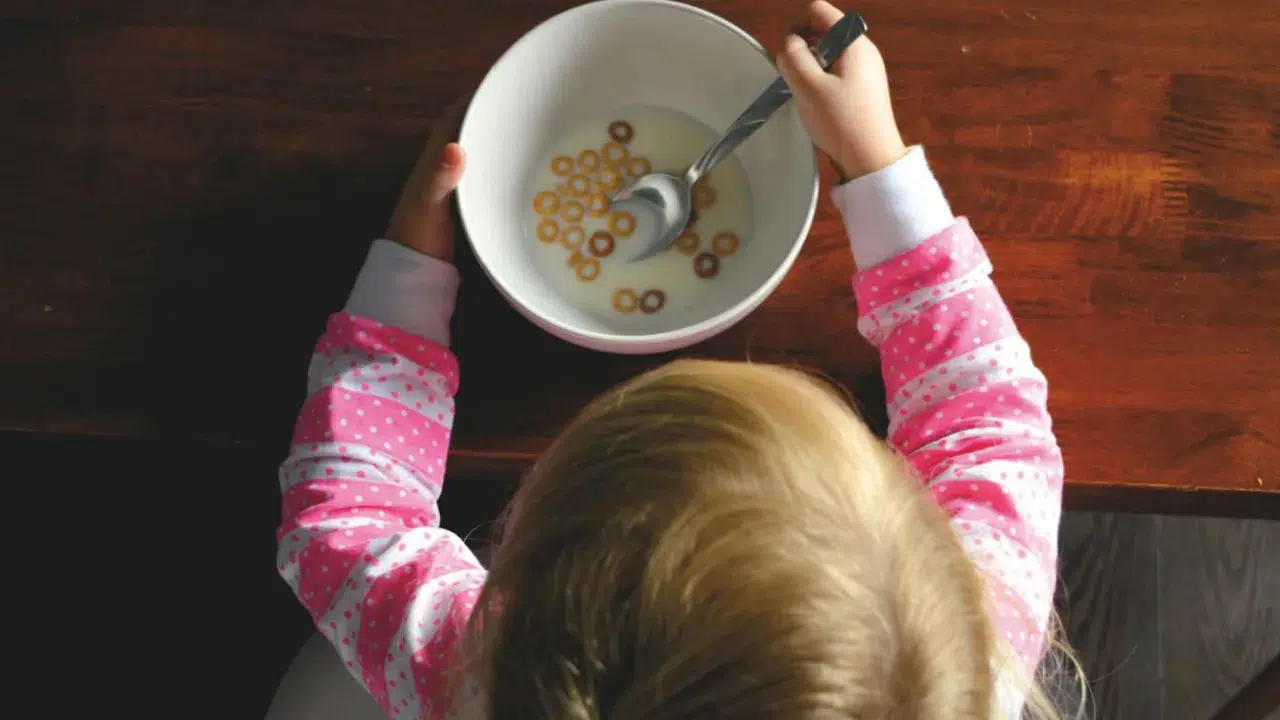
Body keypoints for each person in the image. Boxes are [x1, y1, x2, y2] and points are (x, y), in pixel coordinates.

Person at [276, 2, 1083, 717]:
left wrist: (409, 267)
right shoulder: (969, 654)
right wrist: (876, 162)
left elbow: (349, 524)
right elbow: (989, 421)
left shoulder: (475, 672)